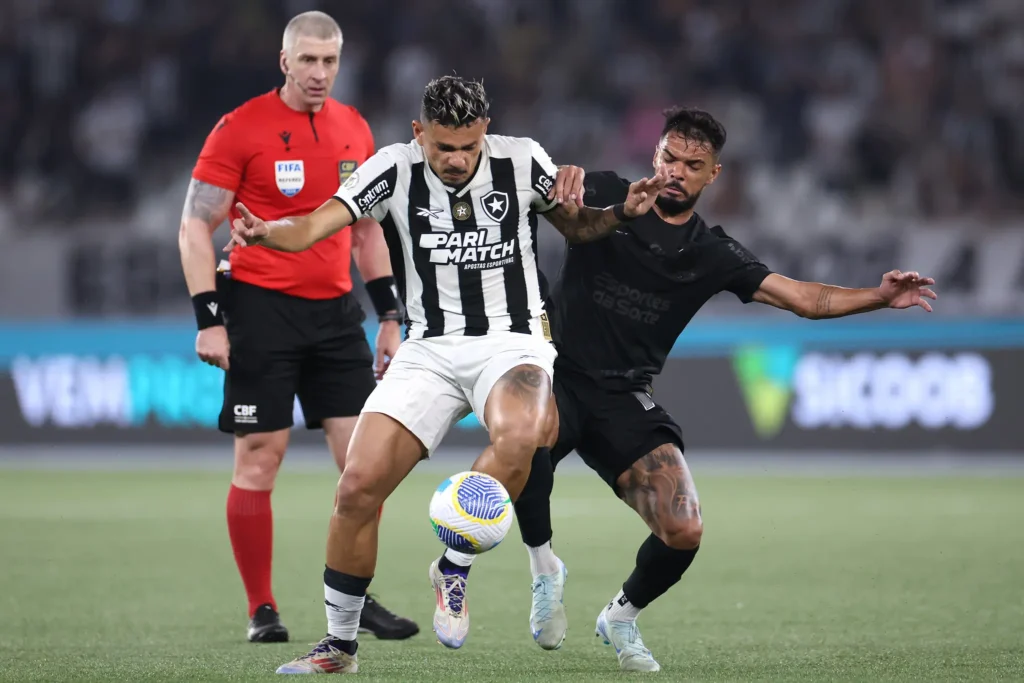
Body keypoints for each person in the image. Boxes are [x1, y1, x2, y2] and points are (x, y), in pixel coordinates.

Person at [222, 75, 667, 674]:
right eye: (442, 147)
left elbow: (577, 226)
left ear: (486, 132)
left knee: (523, 433)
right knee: (356, 488)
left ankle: (453, 567)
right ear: (418, 134)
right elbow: (312, 225)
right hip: (427, 349)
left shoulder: (521, 158)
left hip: (511, 342)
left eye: (467, 146)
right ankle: (339, 647)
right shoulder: (391, 168)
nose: (456, 160)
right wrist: (266, 233)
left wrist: (617, 214)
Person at [511, 107, 939, 672]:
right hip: (559, 373)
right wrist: (559, 173)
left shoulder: (712, 253)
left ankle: (620, 616)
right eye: (669, 158)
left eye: (693, 164)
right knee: (522, 439)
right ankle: (545, 571)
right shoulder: (611, 190)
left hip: (623, 398)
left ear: (713, 175)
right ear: (655, 156)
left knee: (684, 529)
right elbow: (539, 181)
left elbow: (804, 299)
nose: (676, 172)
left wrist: (879, 297)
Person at [177, 10, 418, 644]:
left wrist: (389, 316)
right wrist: (210, 319)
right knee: (260, 458)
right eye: (306, 61)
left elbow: (366, 231)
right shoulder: (240, 128)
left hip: (336, 313)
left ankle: (353, 599)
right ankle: (263, 609)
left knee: (364, 466)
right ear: (284, 62)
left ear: (340, 63)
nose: (318, 73)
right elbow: (194, 225)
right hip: (259, 310)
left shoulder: (354, 128)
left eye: (329, 61)